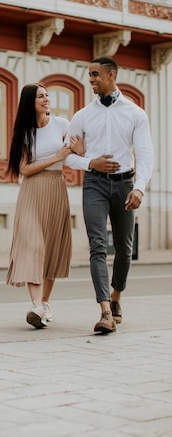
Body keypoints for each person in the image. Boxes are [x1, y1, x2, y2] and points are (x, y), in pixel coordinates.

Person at [65, 56, 154, 334]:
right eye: (89, 75)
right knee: (97, 245)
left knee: (125, 250)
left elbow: (146, 154)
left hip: (126, 184)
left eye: (95, 75)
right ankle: (104, 311)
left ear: (111, 75)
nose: (90, 79)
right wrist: (90, 163)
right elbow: (67, 156)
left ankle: (116, 298)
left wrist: (139, 187)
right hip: (94, 184)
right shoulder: (82, 116)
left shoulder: (135, 113)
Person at [6, 83, 83, 329]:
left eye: (47, 95)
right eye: (41, 96)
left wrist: (77, 149)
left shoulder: (62, 124)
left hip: (56, 189)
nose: (47, 99)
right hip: (31, 192)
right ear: (30, 102)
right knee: (33, 246)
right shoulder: (24, 131)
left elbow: (79, 150)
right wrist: (56, 157)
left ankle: (45, 303)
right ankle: (36, 305)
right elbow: (24, 169)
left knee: (51, 248)